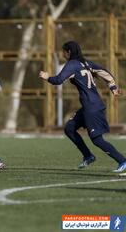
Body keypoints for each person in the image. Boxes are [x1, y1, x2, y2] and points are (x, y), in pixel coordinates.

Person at [39, 41, 126, 173]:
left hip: (92, 107)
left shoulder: (72, 64)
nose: (63, 54)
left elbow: (58, 80)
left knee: (97, 139)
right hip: (89, 105)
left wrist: (47, 77)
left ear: (68, 52)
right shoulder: (86, 63)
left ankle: (122, 160)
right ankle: (88, 156)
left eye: (64, 52)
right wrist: (113, 87)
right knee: (69, 128)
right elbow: (105, 72)